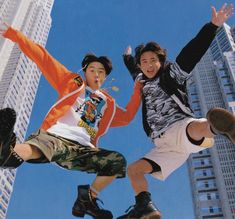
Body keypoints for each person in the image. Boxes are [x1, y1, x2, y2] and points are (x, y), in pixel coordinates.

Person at [0, 22, 142, 219]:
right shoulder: (72, 83)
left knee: (117, 162)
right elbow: (44, 59)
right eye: (92, 70)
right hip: (57, 136)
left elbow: (127, 117)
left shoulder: (107, 104)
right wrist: (14, 35)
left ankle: (88, 199)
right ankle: (8, 152)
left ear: (105, 77)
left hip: (83, 150)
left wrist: (139, 87)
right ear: (85, 71)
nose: (97, 74)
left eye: (101, 72)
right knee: (41, 146)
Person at [118, 3, 235, 219]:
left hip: (179, 127)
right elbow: (134, 71)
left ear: (161, 61)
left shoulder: (171, 74)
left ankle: (219, 127)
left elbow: (190, 54)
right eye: (144, 62)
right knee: (134, 170)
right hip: (162, 145)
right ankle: (146, 208)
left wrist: (212, 26)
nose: (149, 65)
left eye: (154, 60)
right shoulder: (141, 80)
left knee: (195, 128)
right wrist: (127, 59)